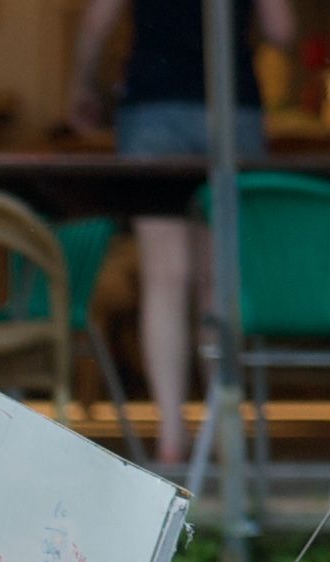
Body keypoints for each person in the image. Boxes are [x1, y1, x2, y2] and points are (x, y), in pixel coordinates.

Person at [73, 0, 300, 474]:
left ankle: (172, 441)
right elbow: (283, 29)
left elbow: (99, 18)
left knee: (164, 277)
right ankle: (224, 434)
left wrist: (83, 80)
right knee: (218, 281)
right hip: (232, 105)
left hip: (153, 108)